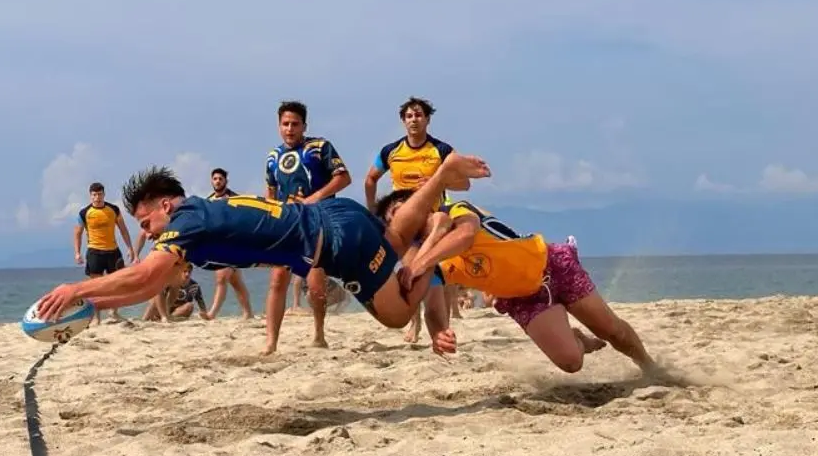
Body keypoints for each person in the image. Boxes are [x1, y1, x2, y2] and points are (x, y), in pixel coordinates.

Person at [33, 155, 492, 353]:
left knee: (393, 314)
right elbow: (150, 283)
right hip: (340, 217)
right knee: (391, 242)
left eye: (146, 221)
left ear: (165, 206)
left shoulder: (186, 223)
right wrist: (91, 302)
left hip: (332, 244)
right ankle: (438, 181)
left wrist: (77, 288)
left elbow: (145, 278)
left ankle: (432, 253)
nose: (148, 232)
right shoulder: (200, 211)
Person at [375, 190, 661, 376]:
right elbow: (434, 308)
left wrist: (420, 261)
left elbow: (464, 236)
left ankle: (650, 367)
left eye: (402, 208)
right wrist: (438, 333)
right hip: (522, 298)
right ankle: (578, 340)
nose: (401, 217)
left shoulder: (455, 209)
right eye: (393, 219)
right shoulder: (428, 262)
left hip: (552, 265)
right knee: (571, 363)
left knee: (611, 329)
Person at [364, 97, 472, 346]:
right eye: (409, 116)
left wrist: (439, 181)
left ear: (427, 119)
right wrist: (373, 211)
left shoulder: (441, 150)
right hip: (402, 222)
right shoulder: (391, 151)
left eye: (419, 115)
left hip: (433, 222)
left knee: (435, 273)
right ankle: (416, 322)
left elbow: (464, 183)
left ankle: (440, 327)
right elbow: (370, 179)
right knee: (410, 269)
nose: (414, 120)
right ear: (403, 121)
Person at [263, 100, 351, 354]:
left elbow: (344, 178)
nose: (290, 129)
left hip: (317, 221)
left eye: (295, 124)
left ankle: (319, 333)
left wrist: (315, 198)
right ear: (279, 126)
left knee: (315, 283)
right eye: (285, 124)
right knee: (277, 280)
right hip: (286, 223)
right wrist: (270, 218)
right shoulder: (273, 157)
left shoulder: (319, 147)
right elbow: (271, 189)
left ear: (304, 125)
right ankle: (271, 341)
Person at [73, 182, 136, 324]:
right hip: (95, 251)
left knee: (119, 283)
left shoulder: (113, 209)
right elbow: (77, 233)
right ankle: (96, 318)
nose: (97, 197)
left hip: (113, 251)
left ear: (104, 194)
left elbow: (123, 229)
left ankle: (113, 312)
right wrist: (77, 252)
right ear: (90, 196)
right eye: (94, 195)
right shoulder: (84, 213)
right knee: (96, 287)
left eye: (99, 194)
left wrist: (130, 248)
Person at [201, 167, 254, 321]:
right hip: (217, 244)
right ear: (211, 181)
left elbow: (244, 220)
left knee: (221, 278)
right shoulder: (208, 201)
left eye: (220, 179)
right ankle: (248, 312)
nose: (217, 181)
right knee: (235, 281)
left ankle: (212, 313)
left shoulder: (235, 199)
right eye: (215, 179)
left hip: (233, 243)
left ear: (226, 181)